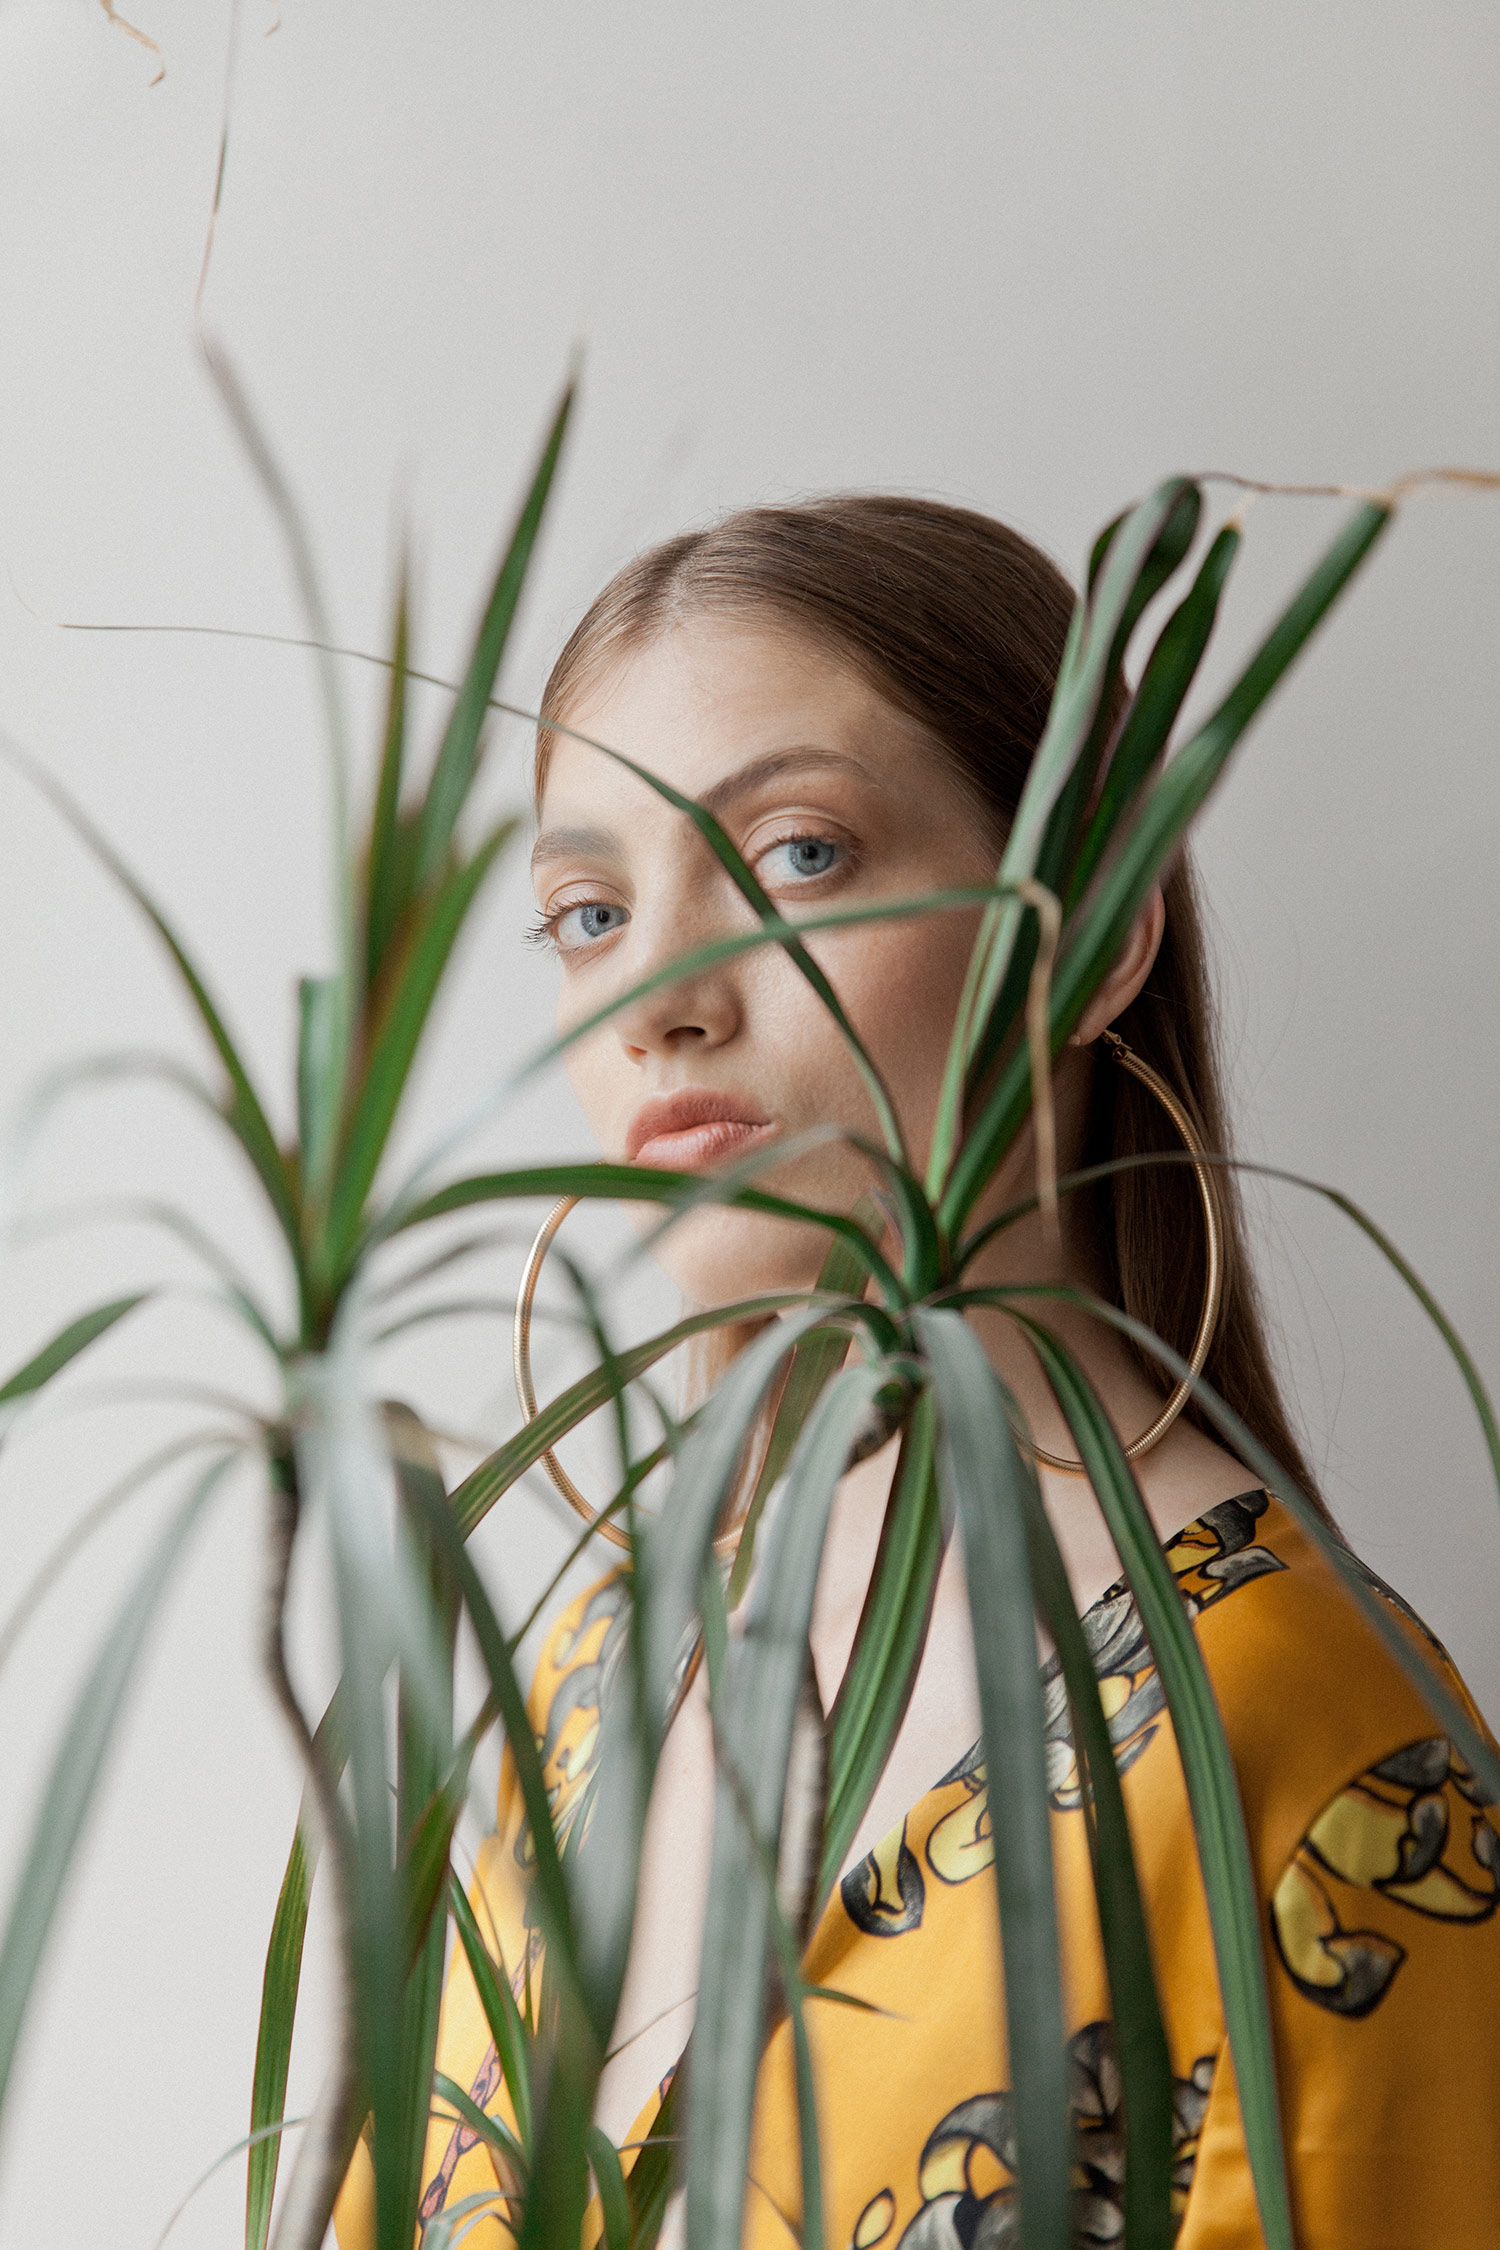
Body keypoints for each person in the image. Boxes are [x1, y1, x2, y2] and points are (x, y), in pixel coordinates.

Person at [335, 497, 1500, 2249]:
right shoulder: (580, 1687)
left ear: (1098, 931)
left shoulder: (1324, 1767)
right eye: (586, 910)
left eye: (798, 853)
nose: (657, 990)